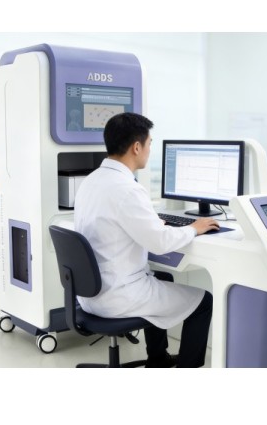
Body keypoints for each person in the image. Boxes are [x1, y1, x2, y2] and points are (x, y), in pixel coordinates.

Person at [74, 112, 219, 368]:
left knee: (163, 278)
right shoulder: (128, 189)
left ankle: (158, 359)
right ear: (136, 147)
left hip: (90, 294)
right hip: (117, 297)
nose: (150, 150)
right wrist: (194, 228)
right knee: (204, 301)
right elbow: (160, 243)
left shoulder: (92, 180)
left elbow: (119, 224)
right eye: (150, 143)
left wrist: (152, 225)